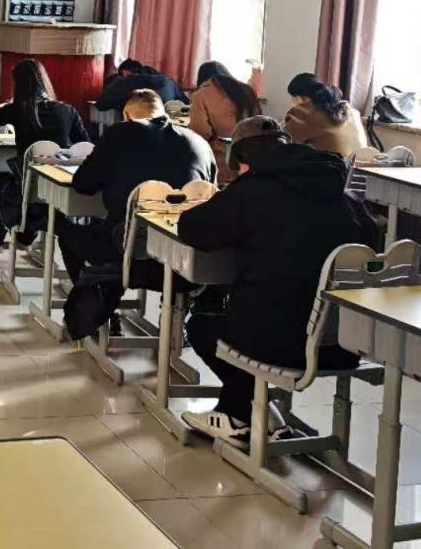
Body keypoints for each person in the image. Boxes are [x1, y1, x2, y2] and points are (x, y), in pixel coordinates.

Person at [178, 117, 378, 443]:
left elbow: (192, 229)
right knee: (267, 306)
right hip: (344, 343)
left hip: (283, 346)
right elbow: (371, 249)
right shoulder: (343, 194)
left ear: (243, 162)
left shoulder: (253, 190)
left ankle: (236, 415)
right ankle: (254, 409)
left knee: (203, 325)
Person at [63, 89, 216, 282]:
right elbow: (211, 195)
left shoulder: (119, 133)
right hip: (185, 251)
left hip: (127, 242)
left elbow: (83, 184)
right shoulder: (199, 142)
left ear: (126, 116)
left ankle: (93, 285)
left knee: (66, 229)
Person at [0, 59, 89, 253]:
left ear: (17, 85)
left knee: (0, 182)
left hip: (26, 184)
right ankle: (25, 238)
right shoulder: (67, 110)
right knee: (33, 193)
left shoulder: (18, 109)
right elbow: (85, 144)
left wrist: (8, 103)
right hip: (58, 184)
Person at [188, 60, 261, 184]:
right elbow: (259, 119)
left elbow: (200, 133)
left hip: (222, 159)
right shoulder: (246, 90)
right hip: (253, 155)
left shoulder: (201, 95)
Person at [283, 72, 368, 161]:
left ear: (300, 98)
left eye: (293, 98)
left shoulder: (305, 113)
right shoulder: (350, 110)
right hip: (359, 165)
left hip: (328, 166)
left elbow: (284, 141)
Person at [95, 59, 188, 111]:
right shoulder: (169, 81)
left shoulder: (127, 81)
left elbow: (101, 104)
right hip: (171, 131)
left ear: (124, 72)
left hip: (141, 131)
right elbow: (187, 105)